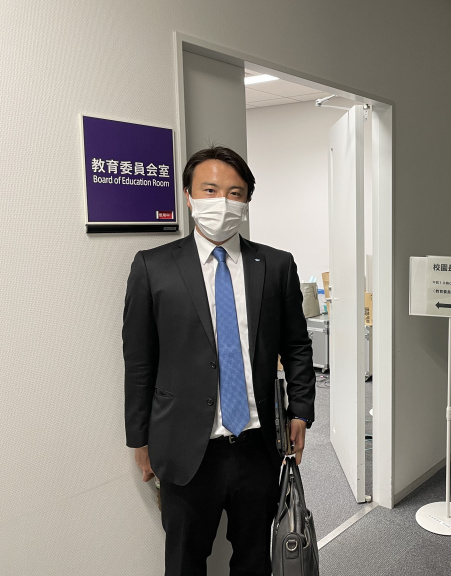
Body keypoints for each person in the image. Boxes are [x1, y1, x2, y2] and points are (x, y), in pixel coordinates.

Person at [123, 146, 315, 575]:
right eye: (210, 190)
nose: (222, 203)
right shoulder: (153, 267)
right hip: (185, 448)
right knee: (184, 562)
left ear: (247, 201)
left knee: (254, 559)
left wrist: (301, 409)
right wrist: (139, 440)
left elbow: (297, 346)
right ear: (189, 196)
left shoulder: (276, 265)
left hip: (258, 446)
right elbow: (138, 362)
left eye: (235, 193)